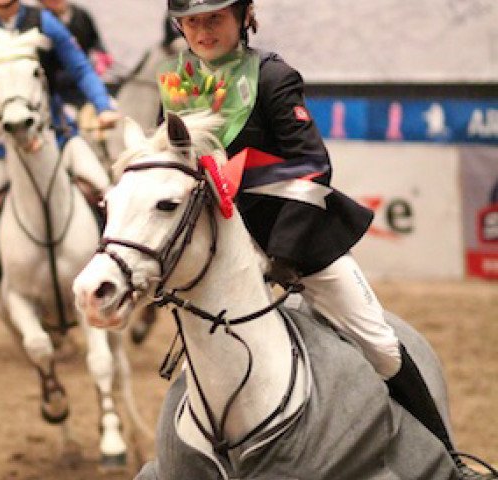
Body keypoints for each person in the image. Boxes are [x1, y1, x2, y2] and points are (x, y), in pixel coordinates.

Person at [161, 1, 483, 478]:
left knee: (380, 343)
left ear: (244, 17)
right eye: (193, 22)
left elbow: (311, 164)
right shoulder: (178, 84)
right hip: (221, 257)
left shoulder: (272, 77)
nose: (203, 31)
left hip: (293, 244)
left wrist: (284, 255)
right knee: (196, 368)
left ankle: (448, 461)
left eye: (215, 18)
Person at [0, 0, 119, 329]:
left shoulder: (43, 21)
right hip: (2, 148)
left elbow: (81, 67)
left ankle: (118, 283)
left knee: (106, 192)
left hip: (57, 137)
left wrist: (101, 105)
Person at [36, 0, 113, 109]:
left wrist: (102, 56)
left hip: (87, 79)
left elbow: (95, 41)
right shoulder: (40, 23)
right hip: (58, 90)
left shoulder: (81, 14)